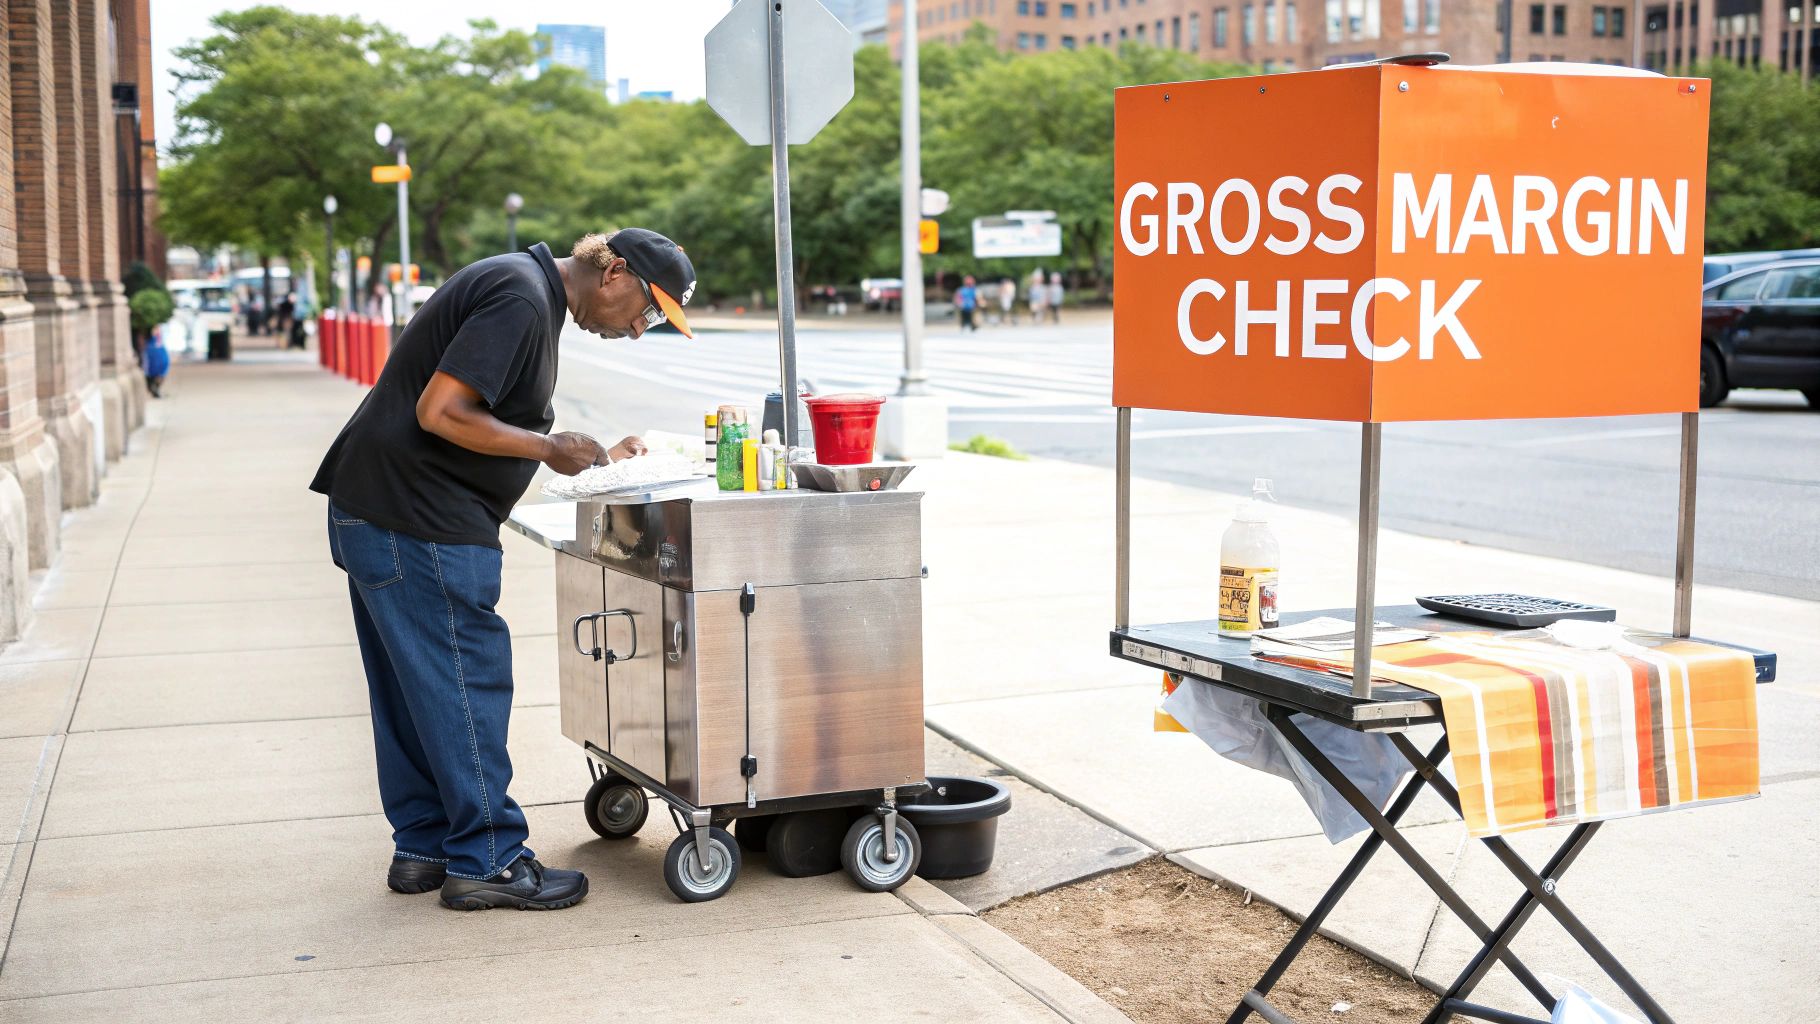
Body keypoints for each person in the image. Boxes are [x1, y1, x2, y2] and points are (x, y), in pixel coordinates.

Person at [310, 229, 697, 911]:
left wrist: (588, 452)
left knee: (415, 693)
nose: (642, 331)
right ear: (615, 273)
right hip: (417, 519)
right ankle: (488, 858)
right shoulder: (521, 297)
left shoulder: (521, 286)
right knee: (465, 684)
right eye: (650, 311)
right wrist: (548, 446)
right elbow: (442, 411)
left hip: (380, 510)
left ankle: (426, 845)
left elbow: (482, 415)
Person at [141, 325, 170, 398]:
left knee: (160, 373)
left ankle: (155, 389)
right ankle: (154, 389)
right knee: (153, 373)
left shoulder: (158, 337)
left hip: (158, 354)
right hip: (153, 355)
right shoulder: (151, 341)